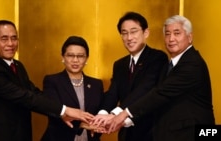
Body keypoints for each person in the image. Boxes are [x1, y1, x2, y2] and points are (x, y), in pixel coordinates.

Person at [0, 20, 94, 141]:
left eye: (14, 38)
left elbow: (34, 92)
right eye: (4, 39)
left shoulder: (17, 65)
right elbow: (25, 97)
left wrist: (62, 114)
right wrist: (65, 110)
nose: (10, 43)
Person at [106, 15, 215, 141]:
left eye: (177, 33)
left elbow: (160, 93)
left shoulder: (192, 63)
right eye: (167, 34)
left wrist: (123, 114)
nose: (171, 39)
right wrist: (123, 121)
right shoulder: (170, 65)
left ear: (190, 37)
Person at [92, 12, 168, 141]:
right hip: (126, 134)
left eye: (133, 32)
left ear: (146, 33)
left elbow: (144, 90)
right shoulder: (119, 64)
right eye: (124, 33)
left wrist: (116, 114)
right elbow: (113, 92)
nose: (129, 37)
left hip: (151, 132)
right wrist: (102, 115)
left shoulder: (158, 58)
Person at [41, 36, 104, 141]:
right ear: (63, 57)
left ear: (86, 58)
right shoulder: (52, 81)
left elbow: (98, 115)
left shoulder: (96, 84)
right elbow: (54, 111)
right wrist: (81, 124)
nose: (75, 60)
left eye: (80, 56)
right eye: (70, 55)